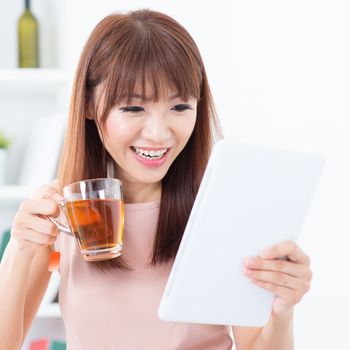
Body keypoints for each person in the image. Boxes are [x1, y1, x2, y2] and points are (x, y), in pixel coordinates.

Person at [0, 9, 312, 350]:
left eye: (179, 107)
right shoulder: (63, 209)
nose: (159, 133)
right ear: (89, 105)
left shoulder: (223, 208)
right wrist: (20, 249)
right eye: (133, 109)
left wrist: (282, 311)